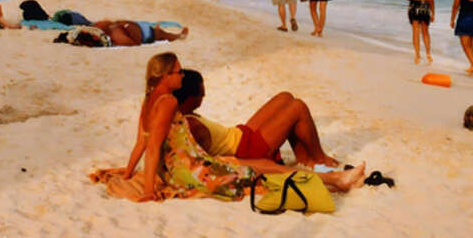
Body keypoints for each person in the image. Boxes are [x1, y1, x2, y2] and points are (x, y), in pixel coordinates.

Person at [116, 54, 364, 203]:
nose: (182, 76)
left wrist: (128, 173)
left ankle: (327, 173)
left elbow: (142, 141)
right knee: (267, 166)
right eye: (178, 72)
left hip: (197, 163)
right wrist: (149, 191)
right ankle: (332, 176)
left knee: (284, 108)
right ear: (164, 77)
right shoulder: (168, 102)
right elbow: (153, 146)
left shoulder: (149, 101)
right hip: (194, 170)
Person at [175, 70, 344, 168]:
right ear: (190, 97)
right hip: (247, 150)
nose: (204, 96)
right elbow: (206, 162)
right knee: (297, 107)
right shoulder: (192, 125)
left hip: (240, 134)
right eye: (201, 94)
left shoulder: (185, 112)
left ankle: (305, 159)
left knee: (285, 97)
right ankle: (320, 157)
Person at [403, 0, 435, 64]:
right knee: (425, 32)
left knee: (415, 31)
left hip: (414, 5)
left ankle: (417, 56)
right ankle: (428, 54)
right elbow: (431, 0)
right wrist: (433, 13)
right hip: (424, 6)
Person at [89, 20, 189, 46]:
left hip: (142, 27)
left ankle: (176, 35)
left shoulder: (109, 28)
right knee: (163, 34)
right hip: (147, 33)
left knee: (160, 30)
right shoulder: (117, 35)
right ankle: (179, 36)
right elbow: (134, 43)